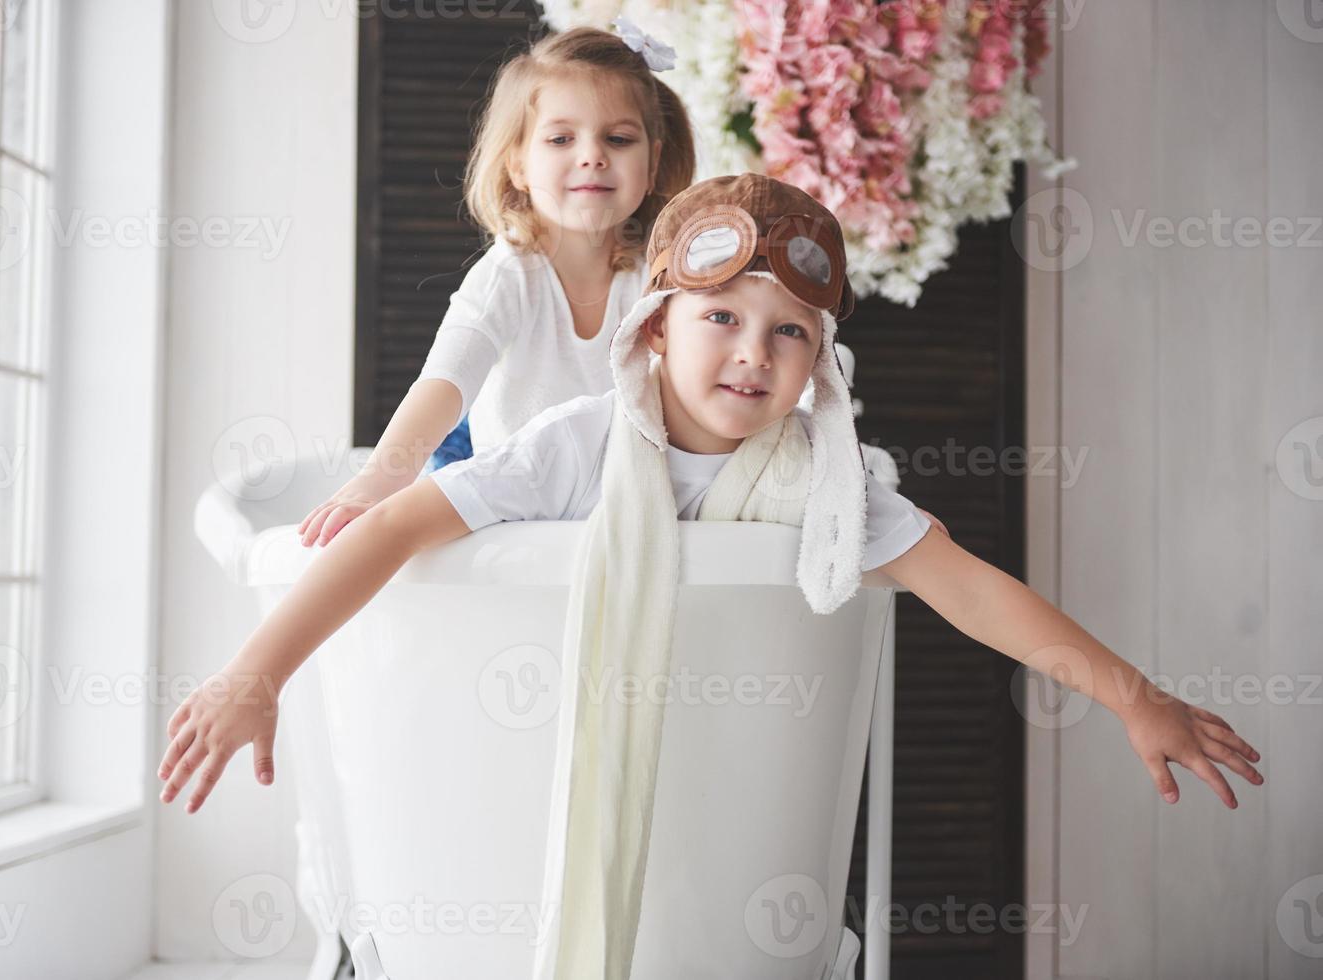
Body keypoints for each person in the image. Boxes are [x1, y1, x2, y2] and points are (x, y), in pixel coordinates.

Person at [163, 173, 1263, 974]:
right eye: (721, 317)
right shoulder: (577, 443)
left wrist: (1130, 692)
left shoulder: (827, 480)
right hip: (509, 774)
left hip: (729, 805)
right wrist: (258, 668)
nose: (752, 351)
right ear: (650, 329)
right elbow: (395, 529)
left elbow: (963, 582)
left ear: (819, 369)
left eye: (789, 333)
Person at [296, 21, 696, 547]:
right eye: (560, 139)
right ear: (518, 166)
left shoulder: (662, 274)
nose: (592, 155)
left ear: (653, 164)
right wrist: (378, 481)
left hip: (620, 504)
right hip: (511, 508)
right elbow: (446, 382)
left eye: (618, 139)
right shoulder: (510, 275)